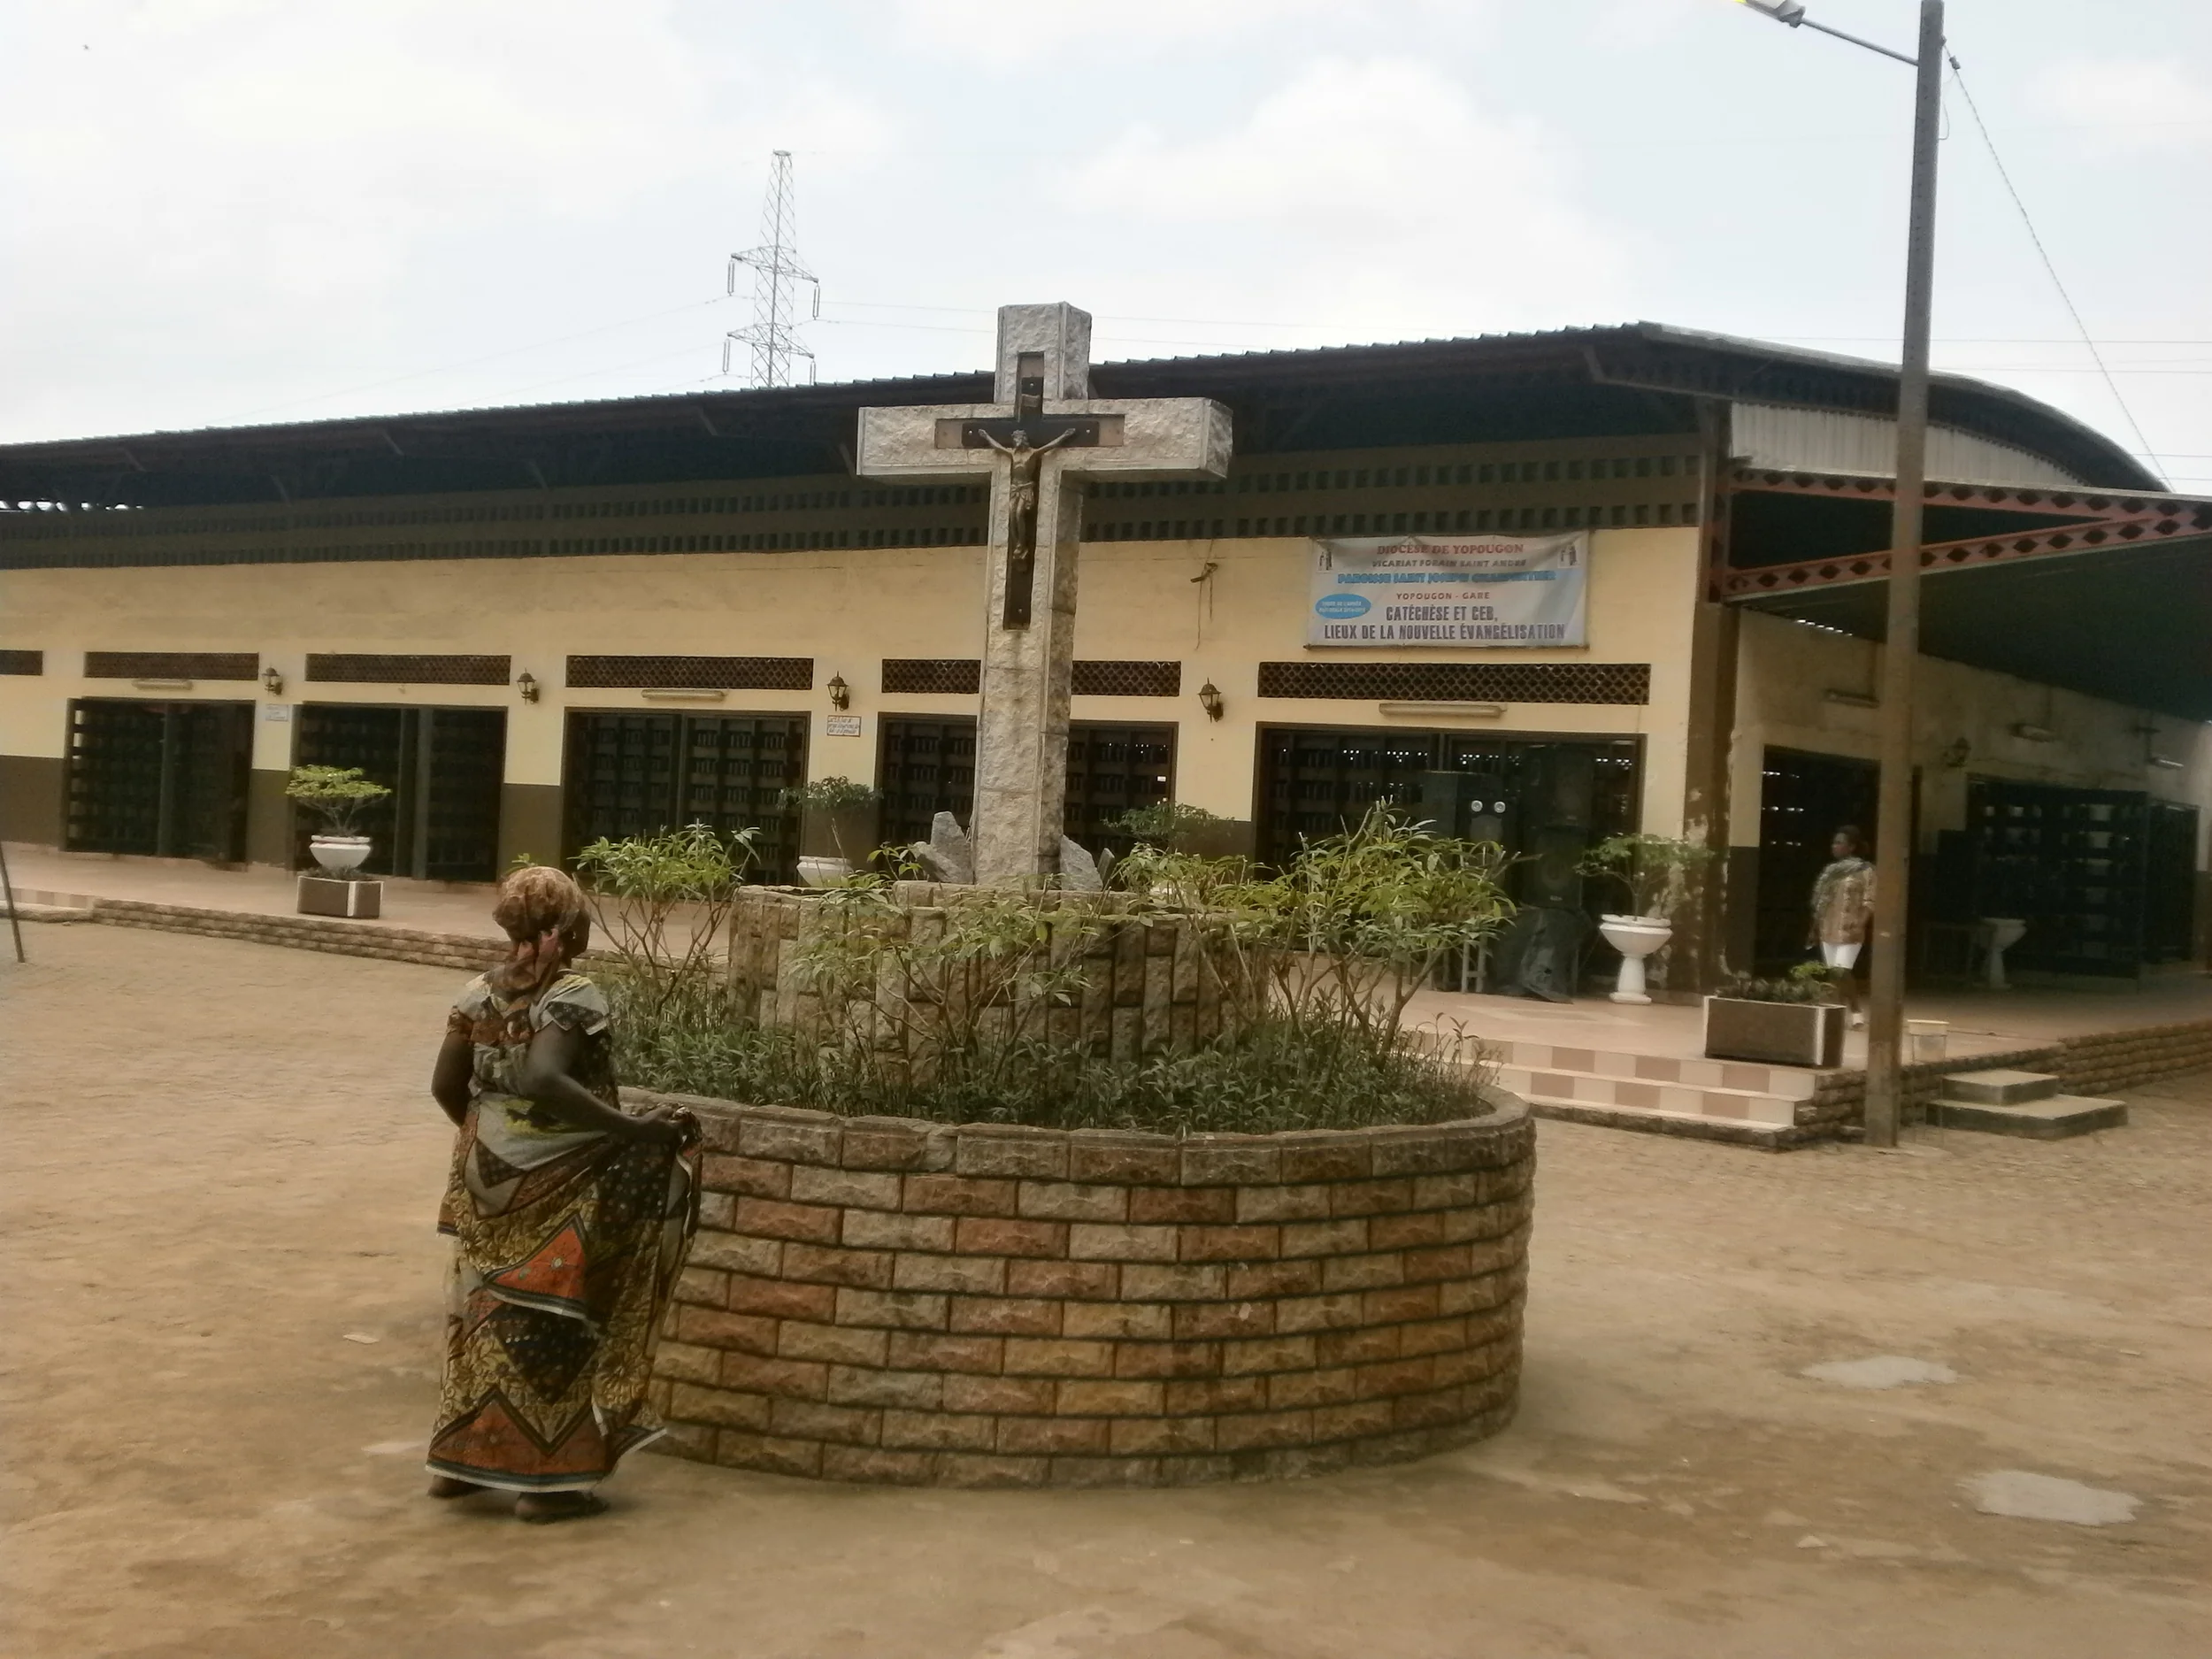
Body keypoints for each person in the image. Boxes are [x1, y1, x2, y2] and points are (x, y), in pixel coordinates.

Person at [424, 864, 698, 1523]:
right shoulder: (574, 993)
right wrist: (634, 1130)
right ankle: (547, 1483)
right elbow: (547, 1076)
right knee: (554, 1315)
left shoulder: (475, 994)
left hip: (483, 1178)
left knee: (480, 1313)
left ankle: (460, 1466)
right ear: (568, 929)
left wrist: (492, 1139)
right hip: (562, 1180)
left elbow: (444, 1087)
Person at [1809, 826, 1876, 1029]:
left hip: (1849, 928)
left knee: (1841, 970)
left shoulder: (1865, 871)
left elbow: (1870, 901)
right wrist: (1813, 928)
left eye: (1840, 843)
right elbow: (1820, 902)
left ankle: (1855, 1012)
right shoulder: (1830, 872)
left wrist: (1860, 923)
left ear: (1851, 847)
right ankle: (1837, 1013)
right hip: (1828, 926)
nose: (1835, 846)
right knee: (1833, 973)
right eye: (1834, 842)